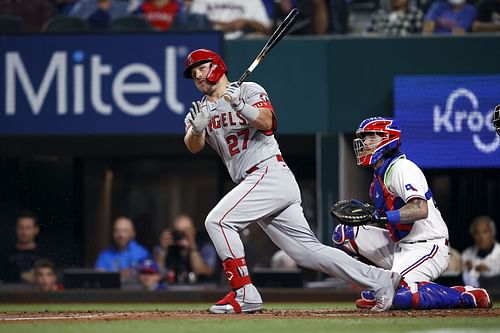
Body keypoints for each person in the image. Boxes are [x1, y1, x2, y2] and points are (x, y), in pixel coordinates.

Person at [182, 48, 402, 314]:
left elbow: (268, 123)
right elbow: (192, 146)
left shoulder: (249, 90)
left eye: (201, 69)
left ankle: (244, 292)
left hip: (267, 172)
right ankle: (381, 280)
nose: (198, 76)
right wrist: (197, 128)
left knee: (217, 220)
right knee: (307, 253)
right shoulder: (201, 110)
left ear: (216, 66)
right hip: (257, 182)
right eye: (193, 74)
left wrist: (240, 106)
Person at [332, 117, 491, 310]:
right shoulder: (377, 179)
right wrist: (374, 215)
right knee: (345, 234)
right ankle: (377, 285)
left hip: (428, 245)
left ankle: (465, 295)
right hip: (401, 245)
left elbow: (419, 209)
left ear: (388, 139)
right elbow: (396, 223)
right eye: (364, 138)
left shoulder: (402, 168)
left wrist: (379, 217)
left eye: (371, 136)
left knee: (396, 296)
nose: (365, 142)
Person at [153, 214, 217, 283]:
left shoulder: (205, 247)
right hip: (172, 290)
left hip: (199, 290)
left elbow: (202, 271)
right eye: (177, 232)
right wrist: (163, 250)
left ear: (193, 232)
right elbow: (155, 273)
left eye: (185, 232)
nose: (181, 235)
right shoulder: (165, 247)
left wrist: (192, 246)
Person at [95, 216, 150, 282]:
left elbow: (150, 278)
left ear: (133, 233)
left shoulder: (142, 253)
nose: (121, 235)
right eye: (117, 231)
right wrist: (119, 275)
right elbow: (99, 279)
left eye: (125, 231)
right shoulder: (104, 255)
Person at [0, 211, 46, 284]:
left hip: (38, 294)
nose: (24, 232)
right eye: (21, 228)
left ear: (36, 230)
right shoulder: (4, 255)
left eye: (28, 228)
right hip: (10, 293)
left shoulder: (45, 254)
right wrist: (21, 276)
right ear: (15, 229)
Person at [189, 0, 271, 39]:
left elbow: (266, 28)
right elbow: (194, 23)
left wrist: (245, 22)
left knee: (257, 37)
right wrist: (228, 25)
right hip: (210, 39)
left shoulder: (251, 1)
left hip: (240, 41)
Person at [462, 216, 500, 287]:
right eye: (477, 233)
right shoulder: (467, 254)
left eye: (485, 232)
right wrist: (470, 270)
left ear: (493, 233)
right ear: (473, 235)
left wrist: (487, 272)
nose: (481, 237)